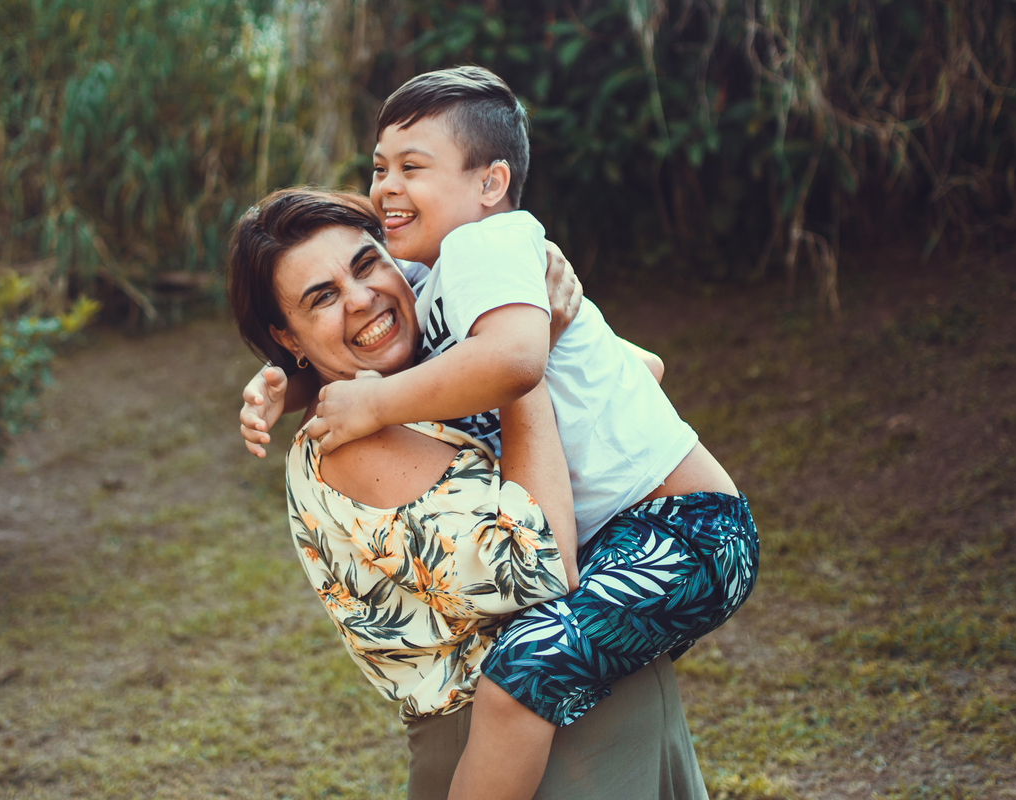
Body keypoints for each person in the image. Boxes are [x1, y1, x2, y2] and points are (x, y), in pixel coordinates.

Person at [240, 66, 759, 800]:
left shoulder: (483, 253)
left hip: (685, 527)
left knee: (522, 675)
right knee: (524, 674)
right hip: (607, 630)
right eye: (380, 168)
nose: (387, 187)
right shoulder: (438, 292)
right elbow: (637, 371)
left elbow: (527, 364)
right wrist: (288, 383)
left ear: (490, 183)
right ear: (286, 336)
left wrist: (388, 396)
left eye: (412, 167)